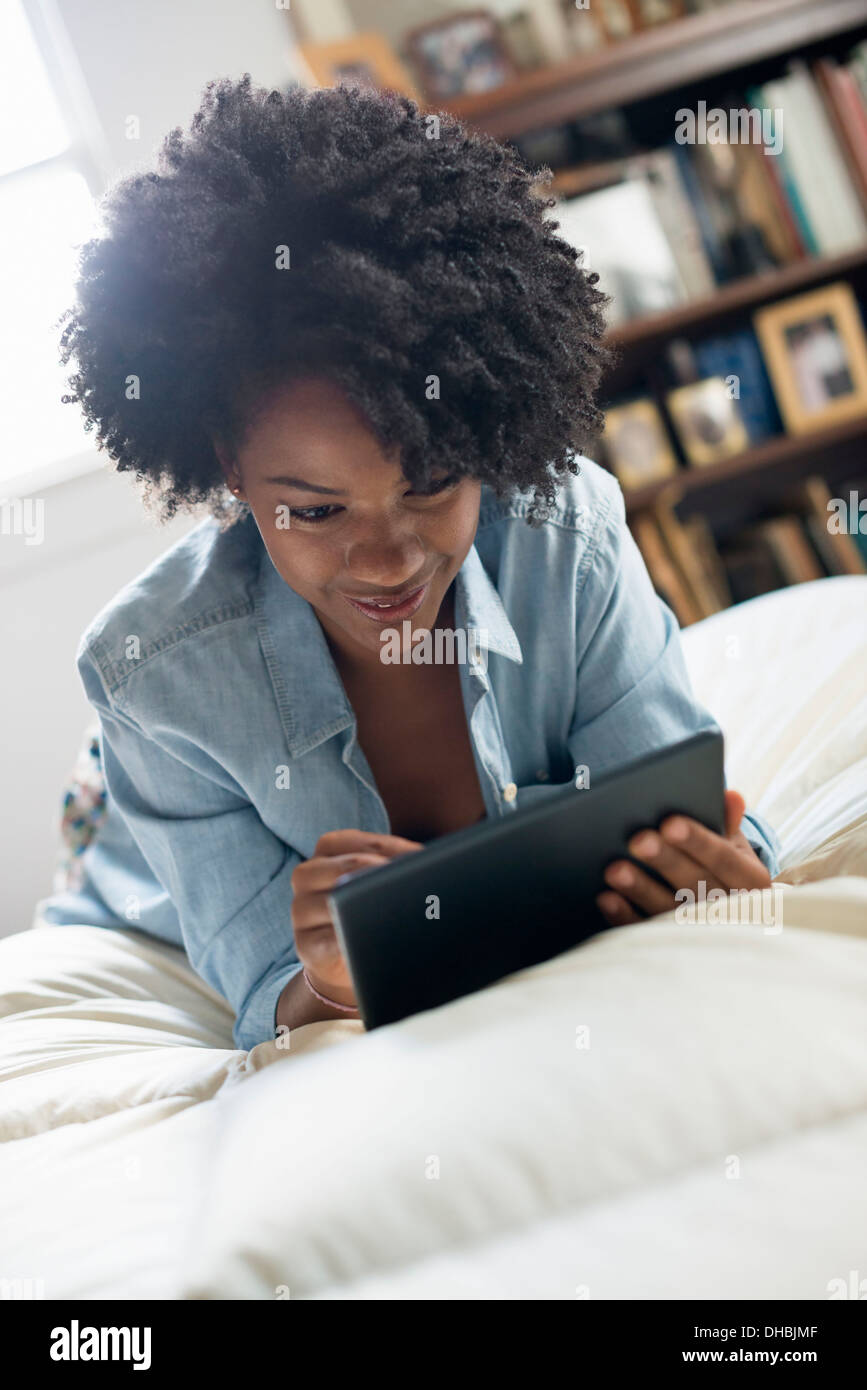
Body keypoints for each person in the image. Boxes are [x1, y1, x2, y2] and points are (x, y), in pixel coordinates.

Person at [43, 77, 779, 1049]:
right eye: (312, 509)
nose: (388, 560)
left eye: (431, 482)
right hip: (119, 820)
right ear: (230, 470)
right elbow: (261, 984)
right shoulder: (152, 673)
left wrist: (718, 864)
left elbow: (688, 805)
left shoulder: (569, 534)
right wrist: (324, 983)